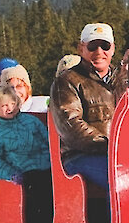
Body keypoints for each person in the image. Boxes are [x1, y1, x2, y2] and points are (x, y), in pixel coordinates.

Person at [50, 22, 120, 191]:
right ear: (81, 48)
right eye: (92, 46)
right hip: (80, 155)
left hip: (119, 155)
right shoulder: (67, 81)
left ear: (113, 49)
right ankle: (114, 219)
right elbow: (71, 125)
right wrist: (109, 146)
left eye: (104, 46)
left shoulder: (122, 80)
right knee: (119, 178)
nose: (99, 52)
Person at [0, 83, 53, 223]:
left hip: (46, 165)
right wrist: (10, 173)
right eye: (4, 105)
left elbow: (47, 140)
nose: (10, 108)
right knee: (36, 195)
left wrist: (53, 158)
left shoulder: (30, 122)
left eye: (12, 103)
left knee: (54, 189)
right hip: (23, 169)